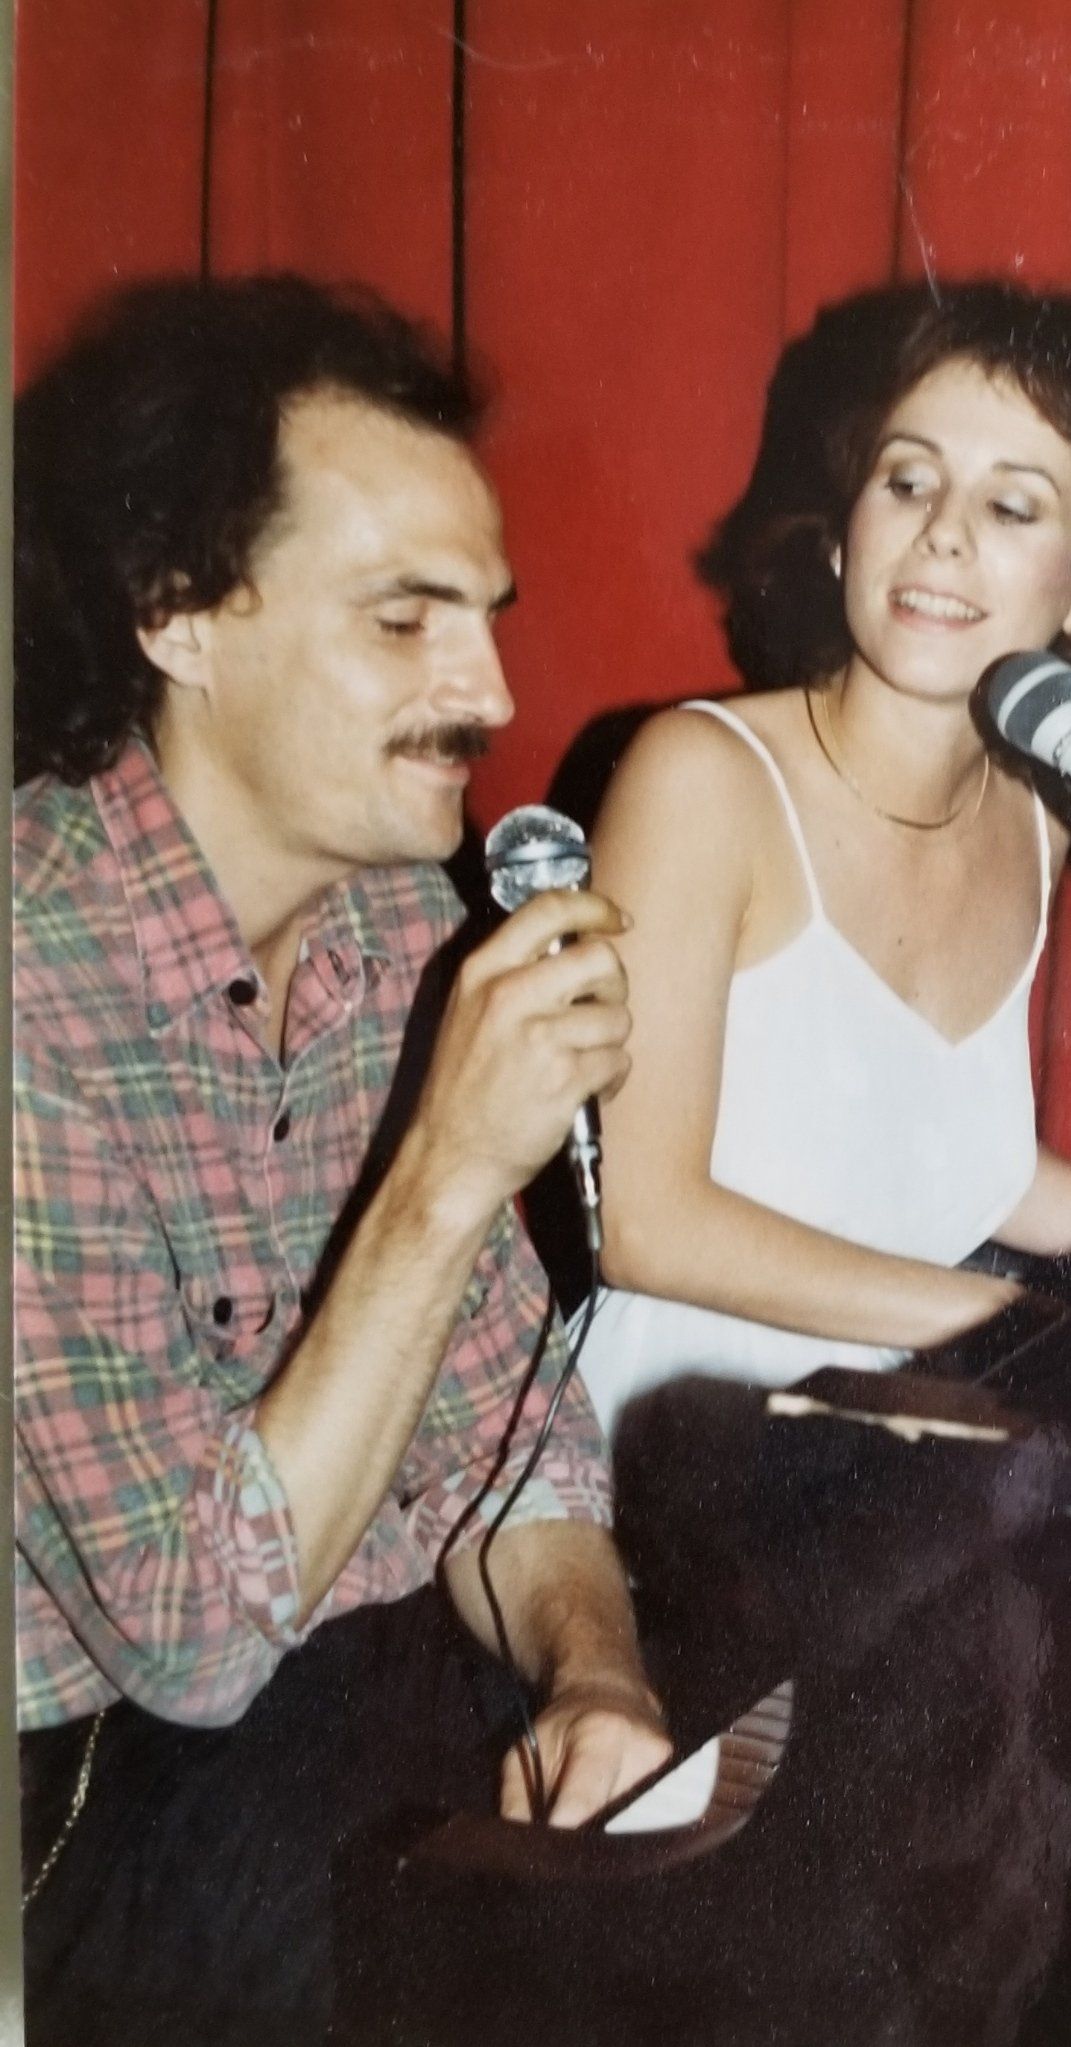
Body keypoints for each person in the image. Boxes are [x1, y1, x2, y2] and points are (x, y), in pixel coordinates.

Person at [12, 274, 670, 2044]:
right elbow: (191, 1646)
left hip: (335, 1703)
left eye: (487, 616)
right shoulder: (29, 995)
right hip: (79, 1795)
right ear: (177, 614)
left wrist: (589, 1674)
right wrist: (449, 1168)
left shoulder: (393, 923)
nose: (493, 687)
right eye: (406, 622)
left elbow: (507, 1437)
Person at [572, 278, 1071, 1441]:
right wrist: (1018, 1324)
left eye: (1011, 508)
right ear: (846, 520)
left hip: (901, 1419)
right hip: (680, 1441)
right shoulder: (699, 777)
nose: (940, 533)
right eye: (906, 482)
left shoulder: (1033, 815)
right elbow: (643, 1220)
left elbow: (952, 1157)